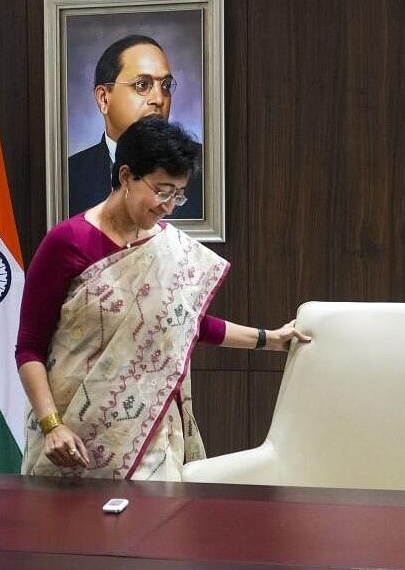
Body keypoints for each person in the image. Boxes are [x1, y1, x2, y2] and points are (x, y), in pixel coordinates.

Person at [18, 117, 309, 480]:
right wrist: (51, 425)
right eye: (162, 190)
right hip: (70, 436)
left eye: (179, 193)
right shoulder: (68, 243)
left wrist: (268, 339)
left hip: (149, 434)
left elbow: (186, 322)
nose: (170, 205)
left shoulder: (167, 248)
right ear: (126, 176)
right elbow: (29, 346)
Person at [68, 34, 204, 218]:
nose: (158, 99)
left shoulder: (205, 167)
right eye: (142, 85)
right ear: (103, 98)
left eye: (166, 86)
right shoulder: (69, 175)